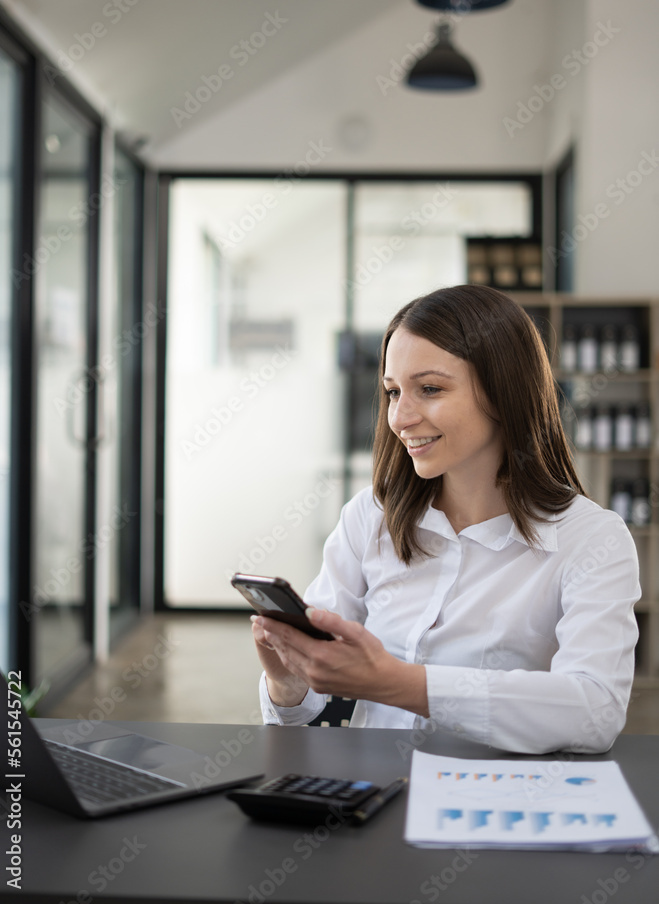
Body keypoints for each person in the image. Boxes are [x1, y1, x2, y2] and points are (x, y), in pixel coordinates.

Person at [251, 285, 640, 754]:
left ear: (502, 391)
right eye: (393, 392)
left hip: (502, 804)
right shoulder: (369, 518)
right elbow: (308, 710)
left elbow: (594, 710)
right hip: (375, 800)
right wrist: (290, 686)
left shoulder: (592, 539)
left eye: (430, 389)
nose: (401, 417)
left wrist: (404, 684)